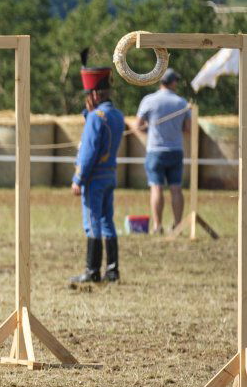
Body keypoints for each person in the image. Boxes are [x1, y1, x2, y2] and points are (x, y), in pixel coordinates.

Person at [69, 54, 125, 286]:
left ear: (93, 95)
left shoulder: (96, 117)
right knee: (107, 222)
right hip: (109, 174)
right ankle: (112, 270)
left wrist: (78, 178)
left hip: (94, 177)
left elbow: (89, 151)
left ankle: (92, 270)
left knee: (92, 222)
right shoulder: (116, 115)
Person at [136, 68, 191, 234]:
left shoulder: (149, 100)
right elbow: (188, 129)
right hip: (175, 150)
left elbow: (138, 125)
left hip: (155, 151)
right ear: (172, 82)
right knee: (176, 188)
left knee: (156, 188)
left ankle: (157, 226)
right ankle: (177, 225)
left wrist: (150, 132)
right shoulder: (181, 102)